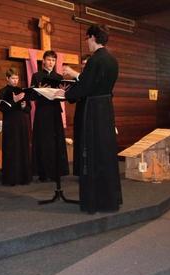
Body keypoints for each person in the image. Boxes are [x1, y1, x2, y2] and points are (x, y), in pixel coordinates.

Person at [57, 25, 122, 213]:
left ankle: (95, 201)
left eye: (87, 38)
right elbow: (98, 84)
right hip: (106, 109)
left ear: (93, 37)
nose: (87, 42)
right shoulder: (112, 60)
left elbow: (85, 86)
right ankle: (110, 199)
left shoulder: (95, 60)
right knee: (106, 153)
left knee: (91, 152)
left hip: (93, 110)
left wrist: (64, 94)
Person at [31, 50, 69, 182]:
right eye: (49, 60)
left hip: (54, 112)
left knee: (55, 141)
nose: (51, 62)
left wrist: (63, 92)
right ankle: (43, 172)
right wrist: (40, 90)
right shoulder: (36, 76)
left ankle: (55, 171)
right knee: (43, 141)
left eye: (53, 60)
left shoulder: (58, 77)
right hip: (42, 112)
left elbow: (63, 97)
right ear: (43, 61)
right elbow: (31, 95)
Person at [0, 67, 32, 185]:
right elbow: (2, 108)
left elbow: (28, 109)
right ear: (7, 78)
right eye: (13, 78)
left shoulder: (22, 90)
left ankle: (24, 177)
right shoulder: (3, 91)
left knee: (22, 148)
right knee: (12, 149)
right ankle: (11, 178)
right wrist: (14, 101)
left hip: (22, 123)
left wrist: (23, 106)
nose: (15, 81)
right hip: (10, 124)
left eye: (17, 78)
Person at [69, 54, 91, 176]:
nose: (84, 65)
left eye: (86, 63)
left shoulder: (92, 78)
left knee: (89, 141)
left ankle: (89, 170)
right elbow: (71, 99)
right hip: (80, 112)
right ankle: (79, 170)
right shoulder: (76, 79)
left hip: (91, 112)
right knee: (79, 140)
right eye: (82, 63)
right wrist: (67, 91)